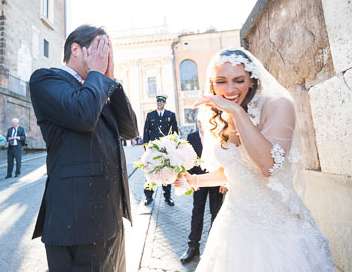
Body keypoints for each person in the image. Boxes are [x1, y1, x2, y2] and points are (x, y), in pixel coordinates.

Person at [175, 47, 334, 271]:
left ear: (251, 80)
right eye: (221, 81)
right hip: (234, 225)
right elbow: (235, 170)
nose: (229, 89)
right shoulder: (224, 113)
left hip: (276, 228)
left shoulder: (279, 106)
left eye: (238, 80)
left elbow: (267, 166)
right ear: (213, 83)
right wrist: (195, 181)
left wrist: (237, 113)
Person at [30, 25, 139, 271]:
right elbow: (83, 116)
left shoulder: (98, 86)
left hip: (110, 218)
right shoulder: (46, 79)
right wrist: (98, 76)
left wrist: (111, 82)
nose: (105, 56)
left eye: (108, 51)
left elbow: (131, 130)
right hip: (76, 224)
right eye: (100, 48)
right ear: (76, 49)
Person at [179, 119, 226, 264]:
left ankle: (213, 247)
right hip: (198, 181)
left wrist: (224, 182)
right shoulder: (192, 137)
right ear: (198, 122)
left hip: (216, 181)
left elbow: (225, 158)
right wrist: (192, 180)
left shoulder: (218, 135)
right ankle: (193, 247)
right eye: (199, 121)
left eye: (203, 121)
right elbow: (187, 160)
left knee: (216, 213)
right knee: (197, 212)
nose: (201, 124)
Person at [142, 94, 178, 206]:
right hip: (153, 149)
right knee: (150, 172)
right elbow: (146, 132)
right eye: (158, 101)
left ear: (165, 102)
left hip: (165, 149)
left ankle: (167, 197)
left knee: (166, 172)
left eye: (161, 101)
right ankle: (148, 196)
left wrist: (174, 146)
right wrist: (146, 147)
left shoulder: (170, 115)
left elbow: (175, 132)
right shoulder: (150, 115)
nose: (159, 103)